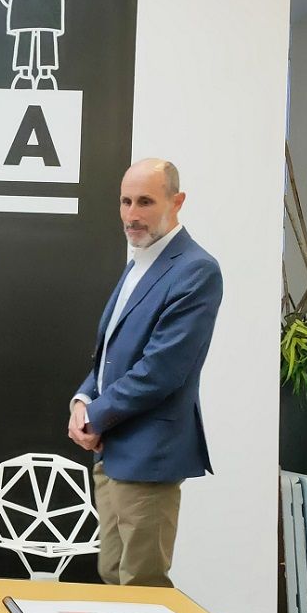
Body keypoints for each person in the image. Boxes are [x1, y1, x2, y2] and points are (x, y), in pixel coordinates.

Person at [66, 158, 222, 587]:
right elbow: (110, 355)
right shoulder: (141, 261)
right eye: (126, 201)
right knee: (112, 574)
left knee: (142, 583)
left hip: (150, 454)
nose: (132, 214)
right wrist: (83, 399)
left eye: (145, 202)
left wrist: (94, 416)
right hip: (112, 450)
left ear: (177, 201)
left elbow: (161, 370)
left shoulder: (195, 269)